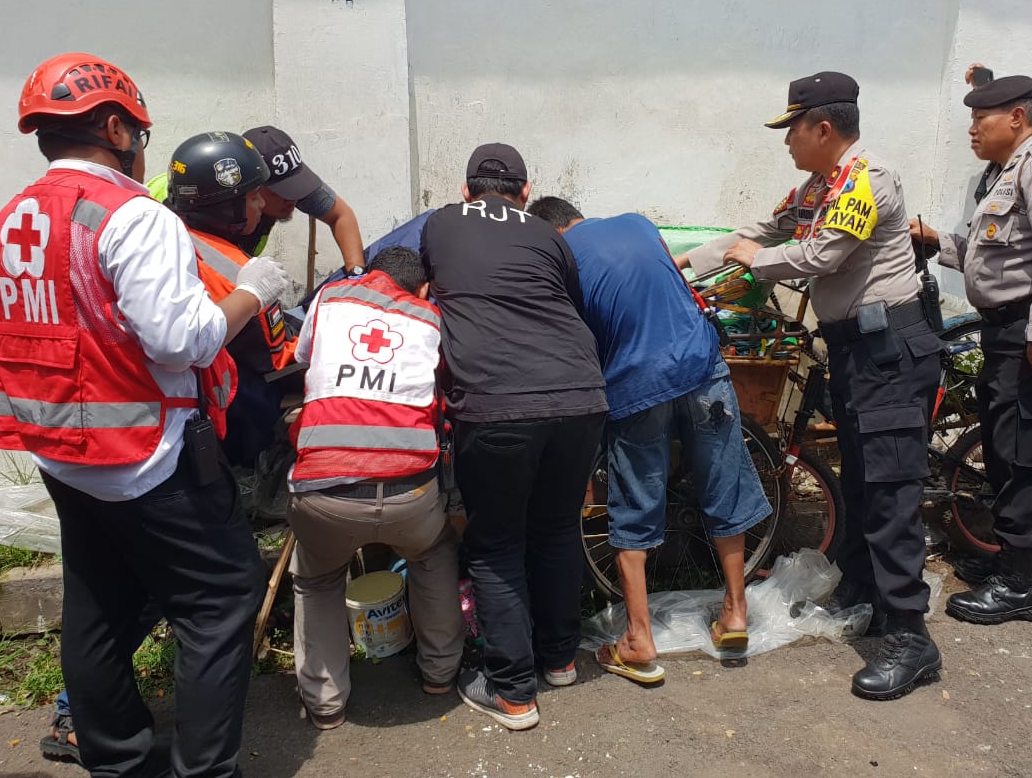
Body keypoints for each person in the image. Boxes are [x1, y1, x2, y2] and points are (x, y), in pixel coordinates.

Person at [0, 53, 288, 778]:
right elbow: (180, 340)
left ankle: (115, 760)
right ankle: (206, 769)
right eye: (140, 133)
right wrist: (249, 294)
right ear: (116, 127)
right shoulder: (133, 217)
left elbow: (3, 311)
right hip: (146, 454)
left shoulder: (10, 219)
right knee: (220, 601)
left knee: (98, 606)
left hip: (61, 451)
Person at [676, 72, 943, 701]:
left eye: (791, 129)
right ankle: (865, 589)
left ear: (823, 128)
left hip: (891, 353)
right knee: (858, 480)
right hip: (855, 352)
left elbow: (820, 256)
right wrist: (685, 260)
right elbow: (761, 233)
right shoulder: (819, 185)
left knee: (891, 490)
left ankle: (911, 637)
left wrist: (749, 259)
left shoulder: (866, 177)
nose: (786, 142)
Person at [526, 197, 772, 683]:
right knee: (724, 483)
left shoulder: (561, 258)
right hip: (702, 368)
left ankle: (639, 638)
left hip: (636, 387)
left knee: (635, 505)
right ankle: (736, 612)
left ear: (552, 232)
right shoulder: (637, 223)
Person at [419, 143, 607, 730]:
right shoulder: (548, 235)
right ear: (527, 192)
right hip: (580, 394)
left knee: (497, 545)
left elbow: (426, 293)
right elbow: (570, 304)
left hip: (497, 402)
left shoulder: (441, 223)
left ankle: (512, 691)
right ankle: (559, 661)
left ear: (466, 187)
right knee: (555, 528)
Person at [912, 75, 1032, 624]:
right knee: (1006, 449)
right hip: (1008, 333)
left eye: (980, 120)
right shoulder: (1001, 175)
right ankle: (1024, 565)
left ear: (1015, 117)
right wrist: (937, 241)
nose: (972, 130)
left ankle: (1020, 588)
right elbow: (997, 258)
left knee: (1030, 455)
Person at [286, 246, 463, 729]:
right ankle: (440, 676)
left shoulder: (331, 297)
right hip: (411, 493)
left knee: (317, 579)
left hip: (325, 493)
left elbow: (304, 359)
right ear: (422, 288)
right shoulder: (432, 318)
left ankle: (325, 706)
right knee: (433, 553)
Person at [165, 131, 301, 467]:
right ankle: (260, 471)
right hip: (231, 413)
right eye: (253, 196)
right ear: (225, 207)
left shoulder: (166, 231)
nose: (260, 205)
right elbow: (277, 359)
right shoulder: (238, 271)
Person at [148, 125, 367, 274]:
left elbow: (341, 215)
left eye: (297, 185)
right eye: (282, 190)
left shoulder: (289, 189)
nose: (295, 198)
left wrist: (357, 275)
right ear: (247, 188)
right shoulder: (190, 216)